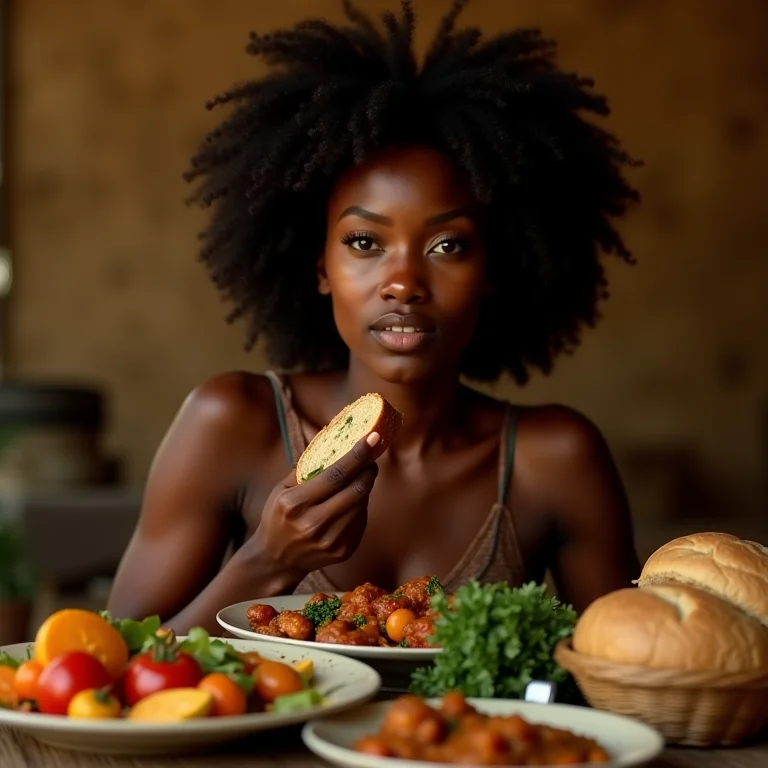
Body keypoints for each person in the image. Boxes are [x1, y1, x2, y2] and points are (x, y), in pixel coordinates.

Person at [108, 0, 641, 633]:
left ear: (496, 271)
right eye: (364, 243)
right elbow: (112, 669)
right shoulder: (233, 425)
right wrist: (265, 561)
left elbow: (627, 675)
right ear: (320, 267)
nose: (403, 283)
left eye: (448, 246)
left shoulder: (553, 461)